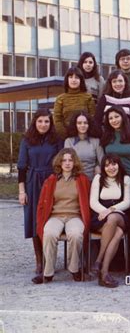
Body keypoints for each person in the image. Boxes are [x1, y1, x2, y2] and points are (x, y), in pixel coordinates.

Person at [33, 148, 91, 284]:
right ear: (59, 163)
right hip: (55, 216)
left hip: (75, 216)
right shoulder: (51, 180)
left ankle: (74, 268)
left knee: (76, 234)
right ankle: (47, 273)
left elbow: (88, 202)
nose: (67, 163)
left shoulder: (82, 180)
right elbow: (42, 204)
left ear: (74, 162)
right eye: (64, 160)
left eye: (70, 160)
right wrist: (41, 220)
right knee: (49, 233)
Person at [18, 109, 63, 275]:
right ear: (34, 122)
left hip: (52, 181)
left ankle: (50, 258)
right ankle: (39, 261)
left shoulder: (56, 140)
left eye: (46, 121)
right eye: (40, 121)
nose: (43, 124)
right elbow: (22, 167)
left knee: (52, 218)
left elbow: (61, 162)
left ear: (50, 123)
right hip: (32, 183)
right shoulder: (27, 140)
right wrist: (22, 191)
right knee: (35, 221)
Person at [89, 154, 130, 288]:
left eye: (114, 164)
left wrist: (110, 210)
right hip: (100, 215)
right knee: (117, 233)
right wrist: (104, 212)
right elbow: (93, 202)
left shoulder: (125, 179)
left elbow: (127, 202)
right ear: (103, 167)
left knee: (113, 218)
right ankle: (104, 273)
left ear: (119, 165)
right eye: (107, 165)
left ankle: (98, 260)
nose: (111, 168)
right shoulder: (98, 178)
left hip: (120, 214)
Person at [101, 105, 130, 179]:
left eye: (117, 116)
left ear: (123, 117)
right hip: (112, 179)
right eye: (110, 118)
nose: (114, 120)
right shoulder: (106, 137)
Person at [53, 66, 95, 138]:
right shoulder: (60, 99)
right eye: (71, 77)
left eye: (76, 77)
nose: (73, 80)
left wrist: (83, 134)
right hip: (65, 138)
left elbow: (92, 117)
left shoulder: (88, 97)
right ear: (67, 80)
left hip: (84, 136)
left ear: (81, 80)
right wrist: (67, 135)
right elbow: (57, 120)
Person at [64, 111, 104, 181]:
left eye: (85, 123)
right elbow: (67, 163)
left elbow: (102, 161)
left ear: (89, 125)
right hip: (75, 180)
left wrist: (98, 166)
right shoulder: (68, 141)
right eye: (79, 123)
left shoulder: (96, 141)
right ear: (75, 125)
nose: (82, 125)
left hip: (93, 179)